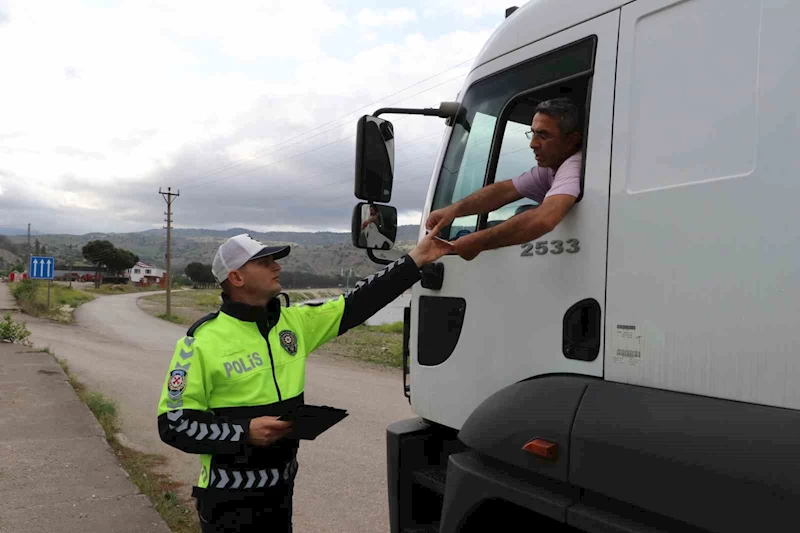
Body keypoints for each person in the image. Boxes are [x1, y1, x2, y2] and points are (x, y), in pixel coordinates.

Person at [156, 231, 452, 532]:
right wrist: (243, 432)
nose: (277, 267)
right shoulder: (199, 343)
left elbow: (359, 302)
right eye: (266, 262)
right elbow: (174, 425)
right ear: (236, 277)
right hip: (227, 502)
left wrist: (415, 259)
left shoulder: (294, 323)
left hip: (281, 491)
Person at [427, 97, 583, 260]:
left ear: (572, 140)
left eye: (543, 135)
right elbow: (504, 191)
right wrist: (453, 211)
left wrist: (479, 241)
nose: (533, 144)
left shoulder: (575, 165)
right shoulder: (551, 167)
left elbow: (544, 219)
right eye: (533, 134)